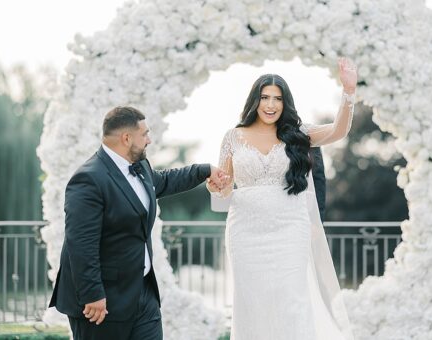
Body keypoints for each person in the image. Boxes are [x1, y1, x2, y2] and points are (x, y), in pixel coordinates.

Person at [207, 59, 357, 339]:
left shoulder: (299, 134)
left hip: (290, 229)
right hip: (245, 232)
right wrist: (215, 186)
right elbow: (224, 190)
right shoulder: (233, 137)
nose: (271, 105)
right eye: (265, 97)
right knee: (252, 303)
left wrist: (348, 92)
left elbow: (339, 130)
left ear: (285, 103)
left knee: (292, 302)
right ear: (255, 100)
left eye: (277, 98)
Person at [50, 107, 225, 340]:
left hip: (143, 292)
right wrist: (93, 294)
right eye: (145, 134)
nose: (149, 140)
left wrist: (204, 170)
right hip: (102, 301)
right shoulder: (88, 179)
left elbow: (164, 181)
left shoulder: (141, 166)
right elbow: (80, 244)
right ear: (126, 138)